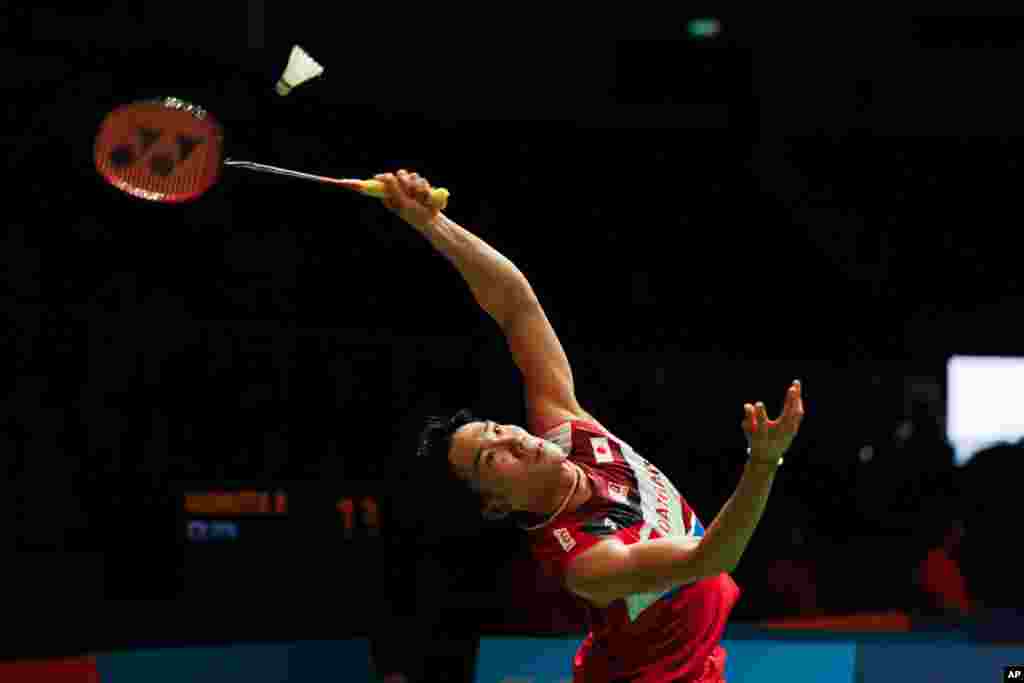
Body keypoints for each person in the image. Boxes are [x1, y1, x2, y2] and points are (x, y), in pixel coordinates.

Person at [372, 170, 805, 682]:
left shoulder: (568, 430)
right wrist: (763, 461)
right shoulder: (586, 560)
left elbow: (515, 306)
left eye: (496, 428)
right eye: (493, 457)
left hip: (695, 663)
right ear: (496, 504)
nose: (513, 438)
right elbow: (714, 556)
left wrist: (431, 223)